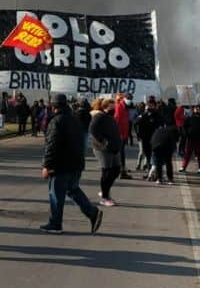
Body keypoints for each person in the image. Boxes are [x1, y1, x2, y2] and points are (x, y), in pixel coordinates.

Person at [40, 94, 104, 234]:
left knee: (56, 194)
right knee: (73, 189)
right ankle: (92, 212)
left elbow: (52, 145)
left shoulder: (56, 121)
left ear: (53, 106)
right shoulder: (74, 119)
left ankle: (56, 223)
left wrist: (47, 166)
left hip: (61, 165)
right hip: (76, 163)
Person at [89, 98, 122, 206]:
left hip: (114, 148)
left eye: (114, 107)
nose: (113, 109)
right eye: (111, 107)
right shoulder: (99, 116)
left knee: (116, 170)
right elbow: (92, 130)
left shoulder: (109, 117)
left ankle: (105, 191)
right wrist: (103, 142)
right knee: (107, 172)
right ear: (104, 107)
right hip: (103, 149)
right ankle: (105, 197)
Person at [179, 104, 200, 175]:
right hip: (190, 138)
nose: (197, 110)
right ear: (193, 109)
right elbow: (184, 126)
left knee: (199, 154)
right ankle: (183, 167)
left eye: (198, 109)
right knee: (187, 153)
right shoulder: (189, 117)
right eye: (196, 108)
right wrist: (186, 134)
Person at [149, 117, 178, 184]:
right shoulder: (170, 131)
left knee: (158, 163)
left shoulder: (157, 130)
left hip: (156, 147)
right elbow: (173, 142)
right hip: (166, 147)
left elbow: (152, 140)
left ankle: (159, 179)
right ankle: (170, 179)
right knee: (168, 163)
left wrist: (153, 149)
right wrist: (173, 150)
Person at [113, 93, 132, 179]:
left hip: (124, 133)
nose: (129, 100)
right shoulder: (119, 106)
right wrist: (118, 134)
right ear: (124, 98)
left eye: (130, 98)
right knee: (121, 153)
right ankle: (122, 171)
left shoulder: (125, 107)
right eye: (128, 98)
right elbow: (117, 120)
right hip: (120, 134)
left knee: (121, 153)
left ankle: (121, 170)